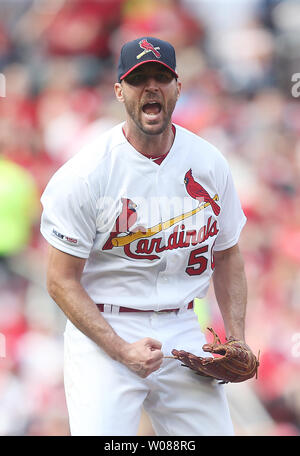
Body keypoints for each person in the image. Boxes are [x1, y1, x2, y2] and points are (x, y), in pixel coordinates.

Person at [40, 37, 251, 436]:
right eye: (138, 79)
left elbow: (227, 254)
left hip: (185, 326)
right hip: (104, 330)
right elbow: (59, 279)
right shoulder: (86, 174)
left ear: (178, 88)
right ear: (120, 91)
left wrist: (237, 337)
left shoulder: (208, 162)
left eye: (161, 76)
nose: (151, 87)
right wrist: (120, 349)